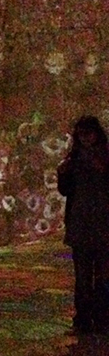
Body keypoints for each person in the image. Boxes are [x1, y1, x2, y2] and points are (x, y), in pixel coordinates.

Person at [57, 115, 109, 334]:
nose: (85, 139)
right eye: (81, 135)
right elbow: (65, 190)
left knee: (104, 275)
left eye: (88, 133)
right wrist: (63, 174)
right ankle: (83, 318)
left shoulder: (105, 157)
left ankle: (102, 317)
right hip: (80, 224)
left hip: (104, 224)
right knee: (83, 277)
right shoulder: (74, 159)